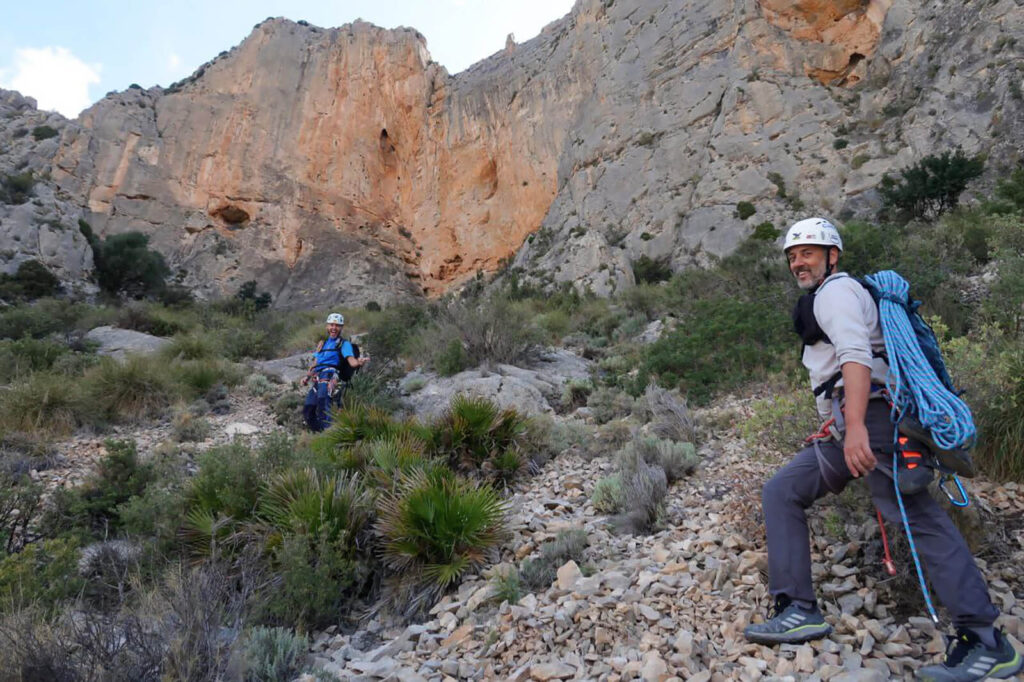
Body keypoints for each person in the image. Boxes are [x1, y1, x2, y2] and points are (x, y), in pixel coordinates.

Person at [743, 218, 1021, 682]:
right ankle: (797, 609)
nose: (797, 262)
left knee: (917, 519)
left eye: (807, 252)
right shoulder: (827, 295)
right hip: (848, 422)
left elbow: (855, 355)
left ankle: (986, 640)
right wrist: (843, 425)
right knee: (782, 491)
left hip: (870, 421)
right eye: (792, 256)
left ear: (832, 255)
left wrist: (854, 428)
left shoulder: (836, 293)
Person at [302, 313, 369, 431]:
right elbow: (315, 363)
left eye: (337, 325)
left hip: (331, 374)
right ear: (327, 327)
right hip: (318, 377)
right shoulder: (322, 344)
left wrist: (359, 362)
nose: (334, 328)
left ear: (341, 328)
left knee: (323, 401)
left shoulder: (344, 344)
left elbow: (351, 361)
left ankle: (328, 433)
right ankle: (321, 433)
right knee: (308, 410)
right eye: (331, 325)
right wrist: (307, 377)